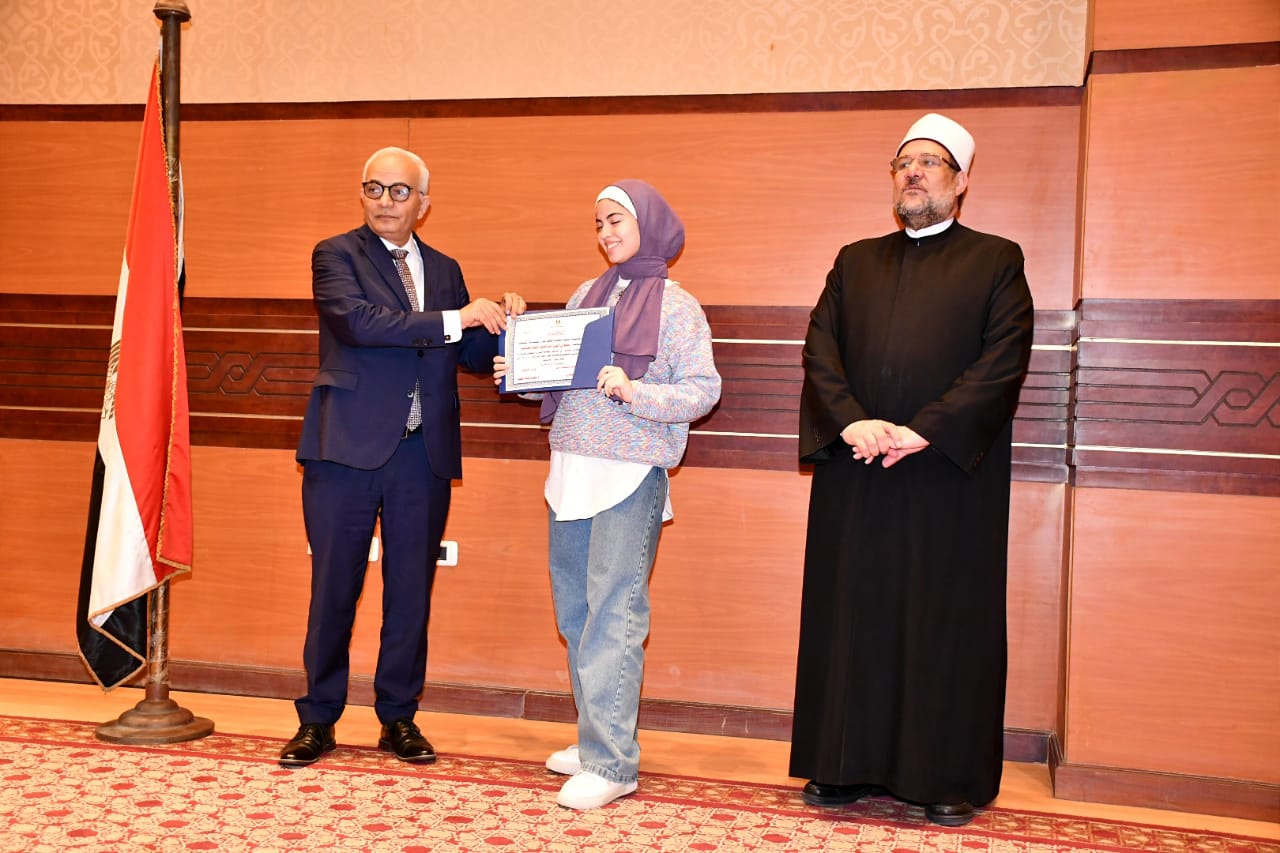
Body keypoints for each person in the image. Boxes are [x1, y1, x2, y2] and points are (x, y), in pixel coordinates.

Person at [788, 113, 1035, 826]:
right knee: (851, 612)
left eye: (930, 162)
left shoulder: (997, 260)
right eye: (903, 163)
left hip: (946, 477)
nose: (914, 173)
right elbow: (820, 350)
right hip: (860, 465)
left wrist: (925, 430)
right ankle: (841, 762)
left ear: (961, 181)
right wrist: (851, 421)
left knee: (942, 619)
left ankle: (944, 774)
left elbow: (1003, 360)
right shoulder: (854, 261)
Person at [280, 146, 526, 767]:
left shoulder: (445, 268)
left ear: (424, 203)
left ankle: (398, 717)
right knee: (334, 587)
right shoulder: (336, 255)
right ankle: (317, 719)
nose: (385, 201)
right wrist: (456, 318)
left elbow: (466, 353)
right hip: (345, 448)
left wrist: (505, 326)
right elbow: (361, 323)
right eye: (374, 188)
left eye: (399, 191)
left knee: (411, 589)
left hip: (422, 453)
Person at [495, 180, 720, 810]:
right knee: (576, 613)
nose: (605, 233)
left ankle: (613, 762)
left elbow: (702, 391)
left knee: (614, 615)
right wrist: (520, 375)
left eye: (616, 219)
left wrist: (633, 390)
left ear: (649, 223)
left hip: (628, 474)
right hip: (570, 469)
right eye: (598, 223)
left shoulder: (678, 307)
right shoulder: (585, 296)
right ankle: (596, 737)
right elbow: (562, 377)